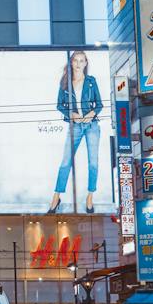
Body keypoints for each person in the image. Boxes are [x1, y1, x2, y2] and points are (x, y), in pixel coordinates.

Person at [49, 49, 104, 214]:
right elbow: (59, 105)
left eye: (82, 61)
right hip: (75, 126)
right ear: (71, 63)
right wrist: (71, 114)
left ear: (86, 63)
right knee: (66, 162)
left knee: (93, 162)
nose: (79, 64)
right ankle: (56, 196)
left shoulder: (91, 81)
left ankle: (90, 196)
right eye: (76, 60)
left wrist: (91, 114)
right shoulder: (65, 82)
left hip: (92, 125)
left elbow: (99, 104)